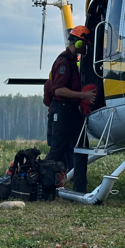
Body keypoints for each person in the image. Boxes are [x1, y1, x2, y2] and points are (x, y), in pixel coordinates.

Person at [44, 25, 96, 194]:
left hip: (73, 111)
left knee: (82, 149)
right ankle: (44, 186)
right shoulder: (64, 62)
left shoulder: (74, 62)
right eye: (85, 44)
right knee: (57, 151)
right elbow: (59, 90)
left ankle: (80, 189)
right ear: (80, 44)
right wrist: (83, 96)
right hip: (63, 111)